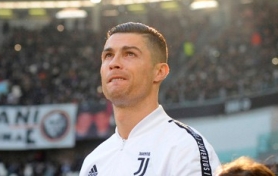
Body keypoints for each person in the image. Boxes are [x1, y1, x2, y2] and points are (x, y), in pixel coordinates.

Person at [79, 22, 221, 176]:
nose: (114, 63)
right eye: (108, 55)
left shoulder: (184, 147)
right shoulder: (93, 162)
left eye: (129, 54)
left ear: (159, 72)